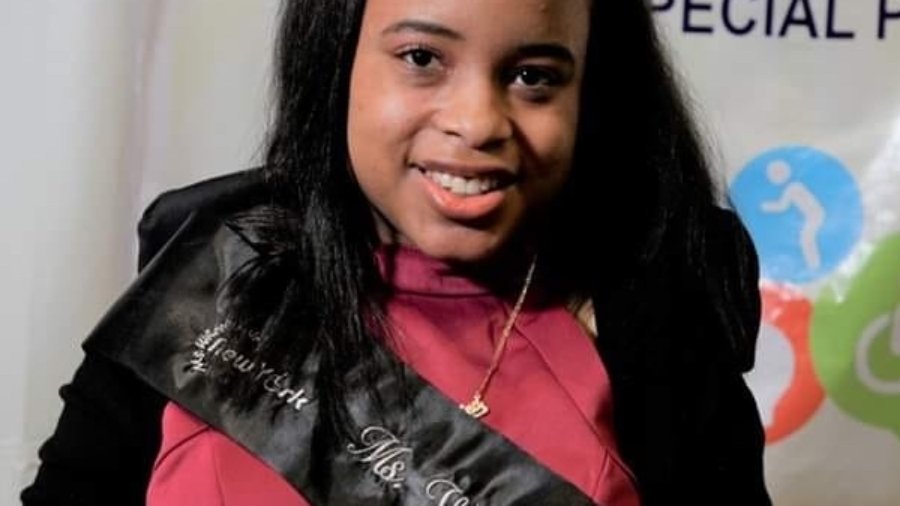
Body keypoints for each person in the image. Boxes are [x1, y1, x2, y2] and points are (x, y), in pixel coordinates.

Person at [22, 0, 771, 504]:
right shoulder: (209, 282)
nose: (478, 121)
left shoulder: (663, 335)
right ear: (338, 60)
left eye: (533, 77)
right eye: (421, 57)